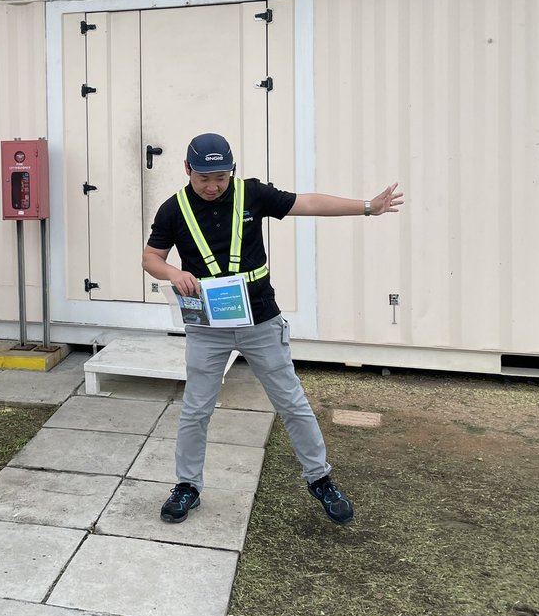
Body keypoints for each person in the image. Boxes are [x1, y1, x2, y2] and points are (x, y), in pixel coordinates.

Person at [143, 133, 402, 526]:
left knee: (292, 403)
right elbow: (150, 257)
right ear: (187, 170)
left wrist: (368, 206)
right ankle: (187, 486)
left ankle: (320, 480)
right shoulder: (173, 210)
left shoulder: (253, 195)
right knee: (196, 410)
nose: (213, 186)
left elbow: (308, 202)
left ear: (232, 171)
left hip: (261, 320)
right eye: (203, 178)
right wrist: (173, 272)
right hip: (208, 327)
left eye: (221, 177)